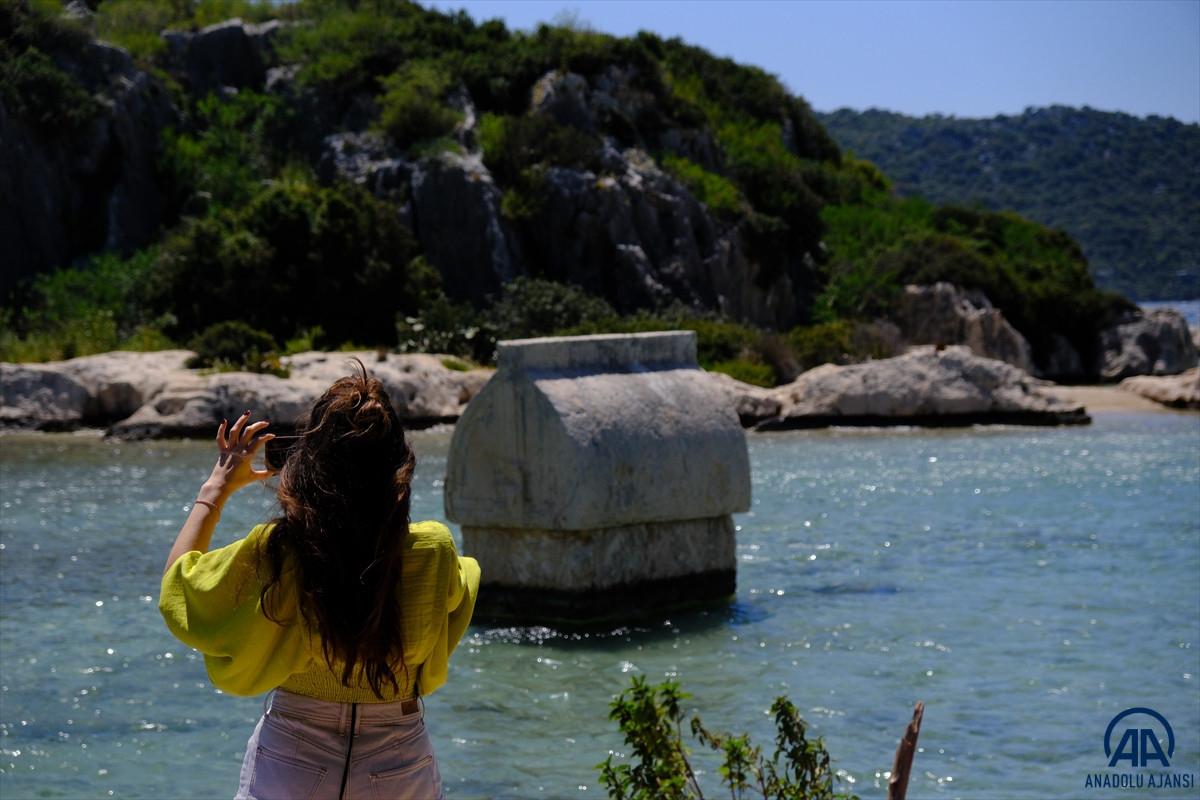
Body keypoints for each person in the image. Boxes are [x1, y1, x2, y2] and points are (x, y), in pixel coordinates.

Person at [159, 362, 480, 800]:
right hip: (399, 755)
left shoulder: (281, 550)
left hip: (294, 751)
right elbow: (461, 588)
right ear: (399, 464)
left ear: (309, 460)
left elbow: (179, 589)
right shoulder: (433, 550)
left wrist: (216, 488)